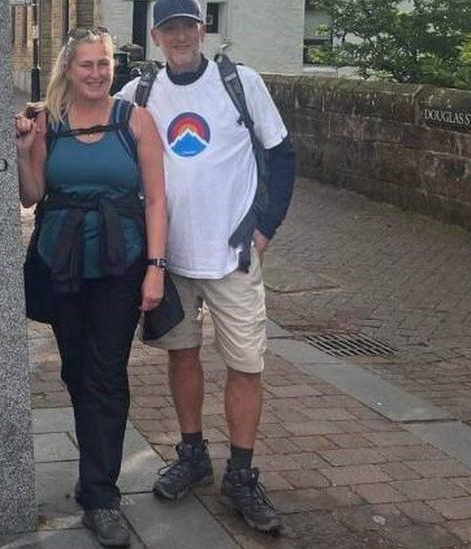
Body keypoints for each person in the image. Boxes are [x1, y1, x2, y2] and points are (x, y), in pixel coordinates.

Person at [115, 0, 296, 534]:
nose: (181, 36)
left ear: (203, 29)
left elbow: (282, 154)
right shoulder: (143, 92)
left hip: (233, 255)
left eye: (189, 26)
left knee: (246, 363)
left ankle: (241, 473)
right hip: (171, 257)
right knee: (182, 355)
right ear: (156, 36)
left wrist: (264, 230)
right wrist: (34, 117)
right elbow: (91, 109)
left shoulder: (241, 82)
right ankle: (193, 453)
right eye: (170, 28)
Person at [15, 26, 167, 548]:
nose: (98, 74)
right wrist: (23, 148)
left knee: (106, 372)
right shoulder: (49, 123)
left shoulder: (136, 121)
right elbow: (33, 195)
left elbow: (157, 200)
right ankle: (91, 471)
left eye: (104, 64)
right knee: (78, 371)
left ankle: (102, 495)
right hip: (62, 260)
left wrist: (156, 265)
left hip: (120, 262)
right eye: (87, 65)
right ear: (69, 69)